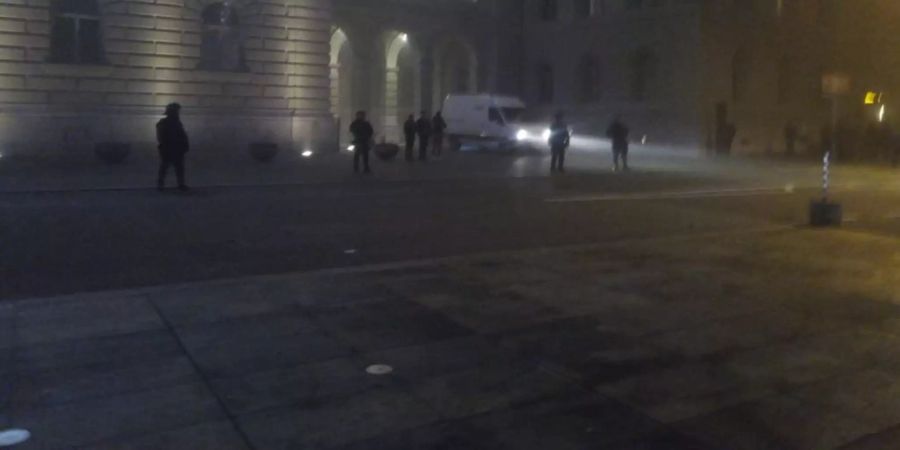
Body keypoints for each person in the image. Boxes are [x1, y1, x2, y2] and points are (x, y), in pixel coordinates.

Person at [156, 103, 190, 191]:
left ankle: (162, 184)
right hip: (172, 148)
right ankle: (177, 184)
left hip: (172, 148)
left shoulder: (166, 123)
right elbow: (181, 135)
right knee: (173, 167)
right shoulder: (171, 123)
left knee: (168, 167)